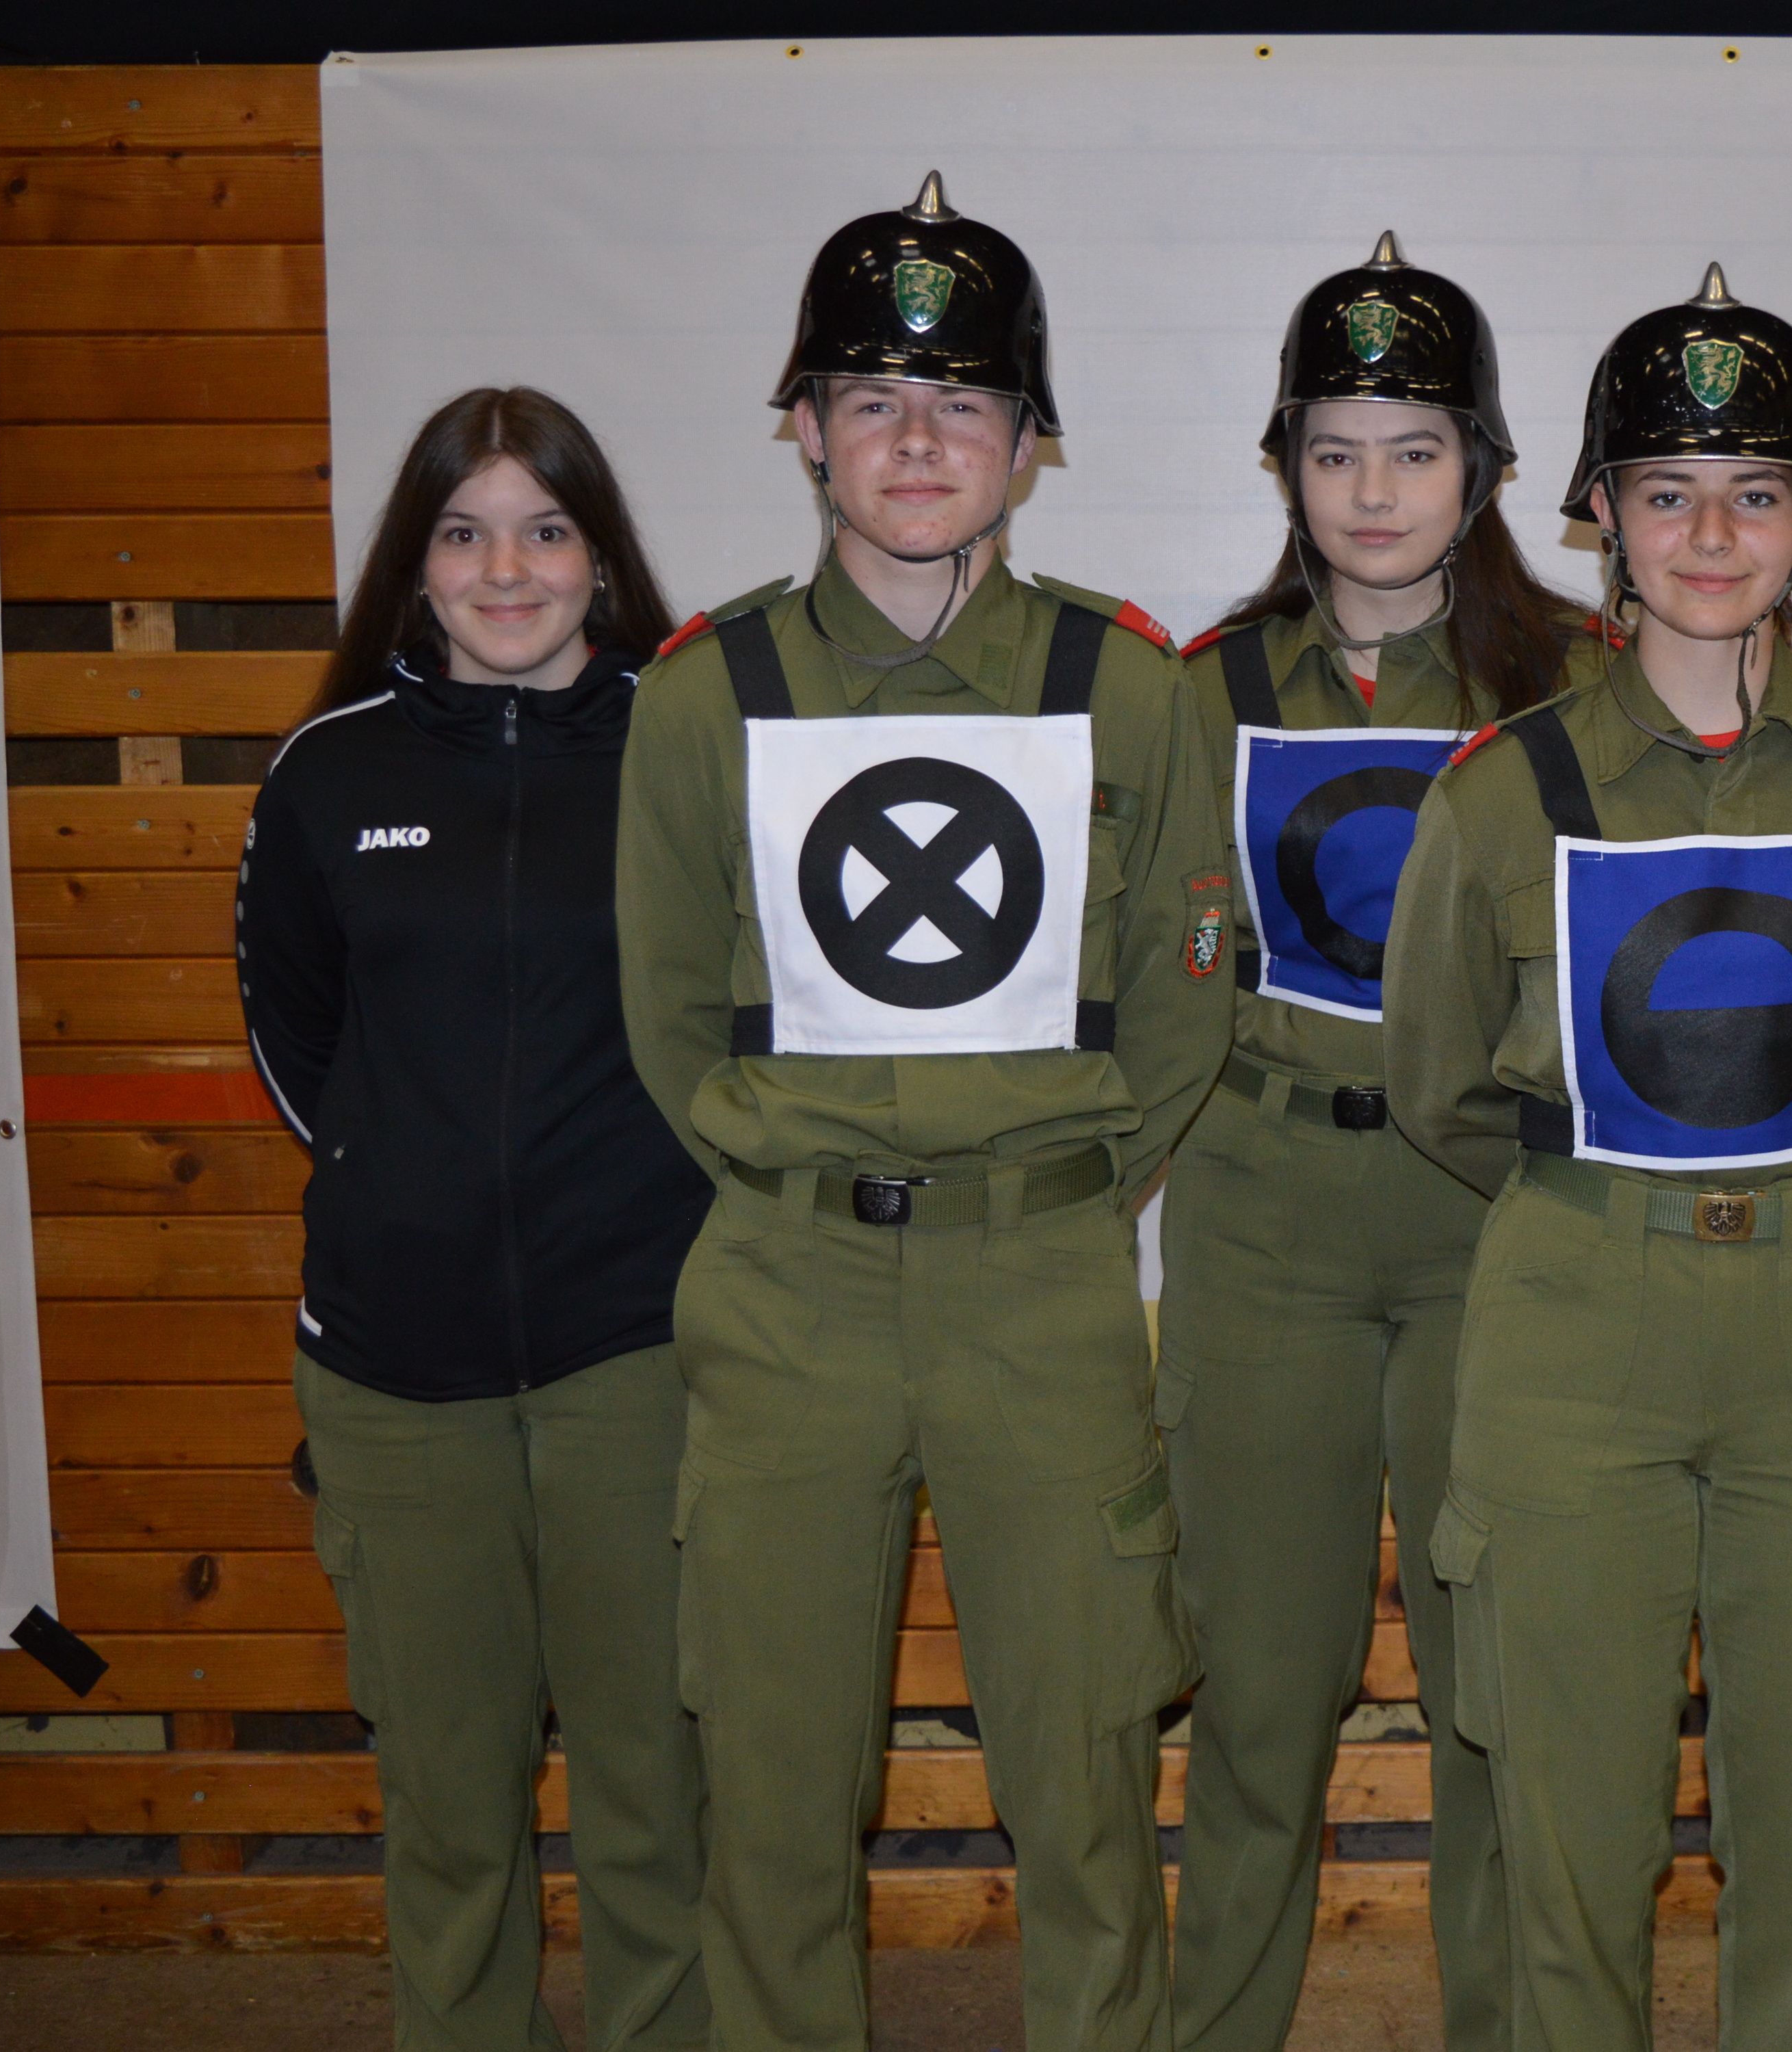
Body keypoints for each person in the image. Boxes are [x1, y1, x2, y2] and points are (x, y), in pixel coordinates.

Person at [1382, 263, 1792, 2052]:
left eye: (1757, 491)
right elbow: (1441, 1083)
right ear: (1599, 514)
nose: (1713, 535)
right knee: (1568, 1816)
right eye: (1667, 492)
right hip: (1575, 1326)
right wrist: (1614, 1212)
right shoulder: (1499, 790)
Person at [614, 173, 1229, 2052]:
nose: (915, 438)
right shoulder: (705, 693)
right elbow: (667, 1012)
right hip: (785, 1292)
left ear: (1029, 444)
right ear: (803, 427)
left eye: (963, 401)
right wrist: (806, 1181)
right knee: (775, 1784)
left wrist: (1047, 1186)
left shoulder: (1128, 686)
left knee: (1086, 1775)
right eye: (870, 397)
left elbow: (1182, 1007)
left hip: (1041, 1283)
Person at [1161, 231, 1609, 2052]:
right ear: (1283, 466)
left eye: (1414, 450)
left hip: (1486, 1214)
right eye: (1333, 450)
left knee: (1494, 1682)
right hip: (1262, 1213)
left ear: (1484, 470)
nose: (1372, 491)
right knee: (1261, 1691)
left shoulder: (1578, 683)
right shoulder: (1203, 687)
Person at [238, 386, 711, 2051]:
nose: (506, 571)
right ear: (415, 565)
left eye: (544, 529)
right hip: (395, 1374)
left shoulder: (687, 751)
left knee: (658, 1795)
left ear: (602, 559)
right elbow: (299, 1051)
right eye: (464, 532)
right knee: (449, 1809)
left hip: (640, 1360)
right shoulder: (328, 773)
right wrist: (408, 1180)